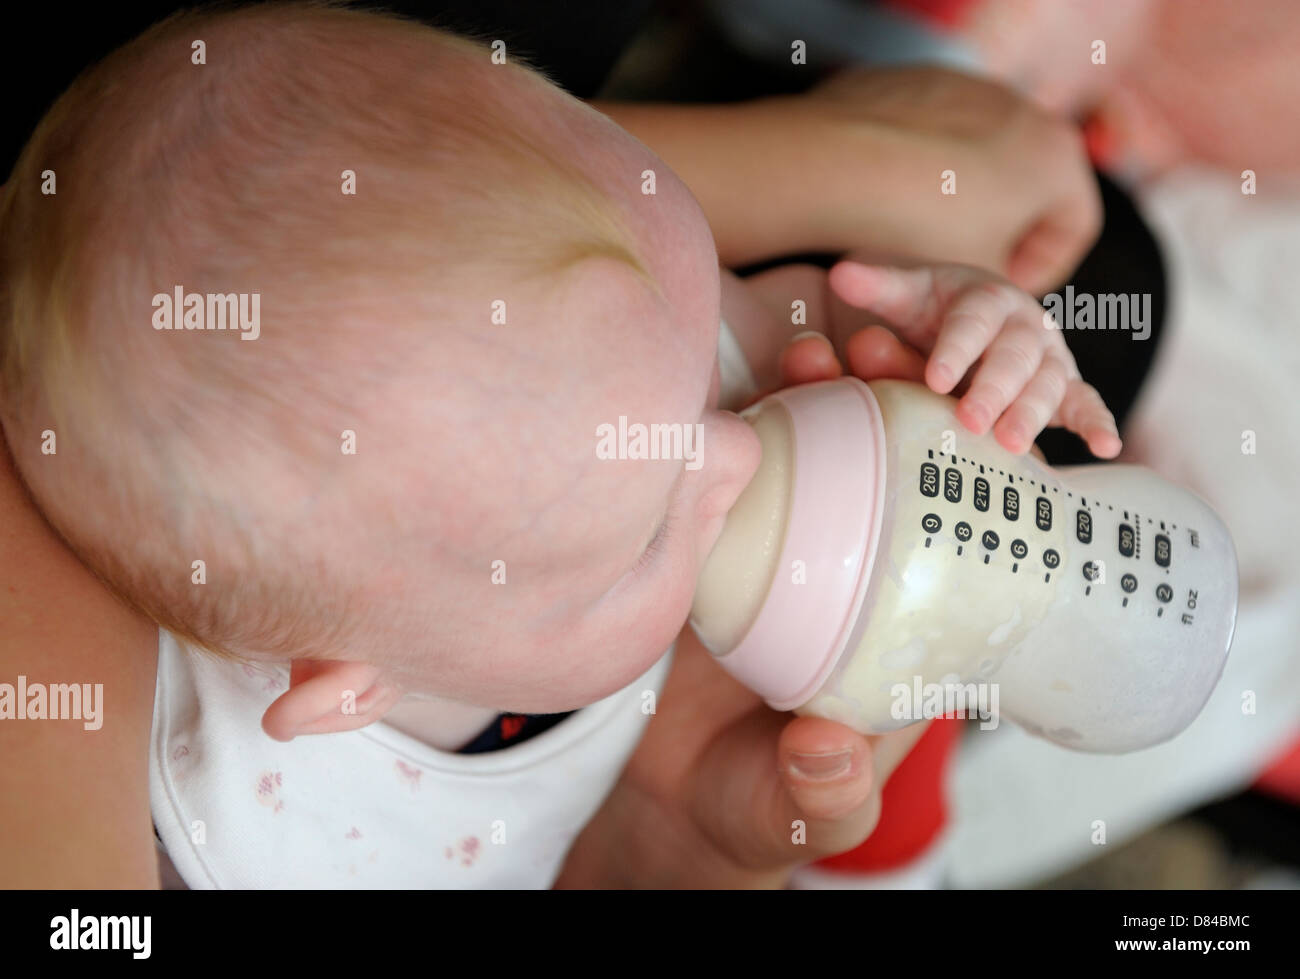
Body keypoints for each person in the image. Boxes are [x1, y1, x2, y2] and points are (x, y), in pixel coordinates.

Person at [0, 3, 1118, 886]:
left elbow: (821, 326)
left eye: (700, 354)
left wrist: (963, 335)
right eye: (637, 541)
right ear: (353, 693)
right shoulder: (236, 835)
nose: (735, 452)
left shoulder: (594, 407)